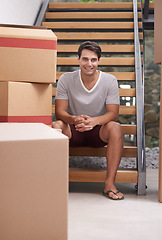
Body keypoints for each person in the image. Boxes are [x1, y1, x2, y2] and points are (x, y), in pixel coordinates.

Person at [52, 41, 124, 200]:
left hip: (98, 131)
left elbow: (113, 113)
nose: (89, 64)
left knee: (116, 127)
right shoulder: (66, 79)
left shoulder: (110, 80)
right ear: (78, 59)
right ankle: (55, 183)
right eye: (85, 59)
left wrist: (94, 121)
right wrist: (74, 119)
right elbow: (59, 112)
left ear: (99, 61)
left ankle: (109, 184)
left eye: (93, 60)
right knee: (56, 126)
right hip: (73, 129)